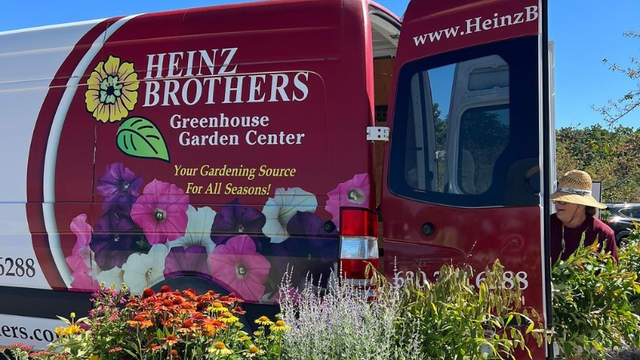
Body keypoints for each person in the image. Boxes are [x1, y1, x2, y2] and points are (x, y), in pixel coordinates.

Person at [549, 170, 617, 262]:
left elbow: (610, 273)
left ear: (581, 204)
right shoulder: (545, 226)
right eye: (556, 200)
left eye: (563, 201)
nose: (557, 204)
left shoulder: (603, 234)